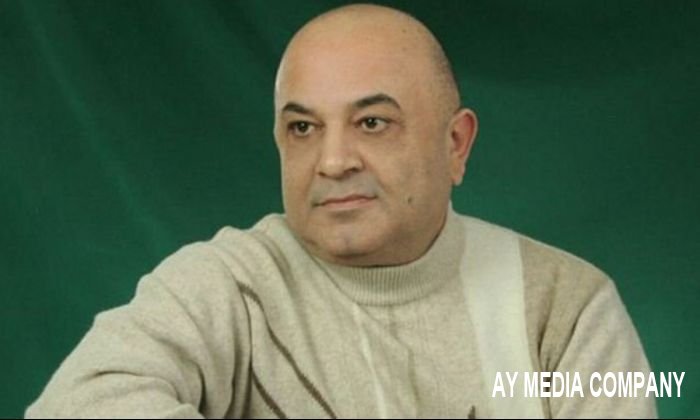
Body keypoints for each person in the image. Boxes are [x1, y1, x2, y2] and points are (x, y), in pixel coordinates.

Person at [26, 4, 657, 418]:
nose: (332, 161)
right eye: (303, 128)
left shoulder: (566, 309)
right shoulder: (227, 286)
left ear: (455, 144)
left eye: (372, 122)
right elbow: (75, 407)